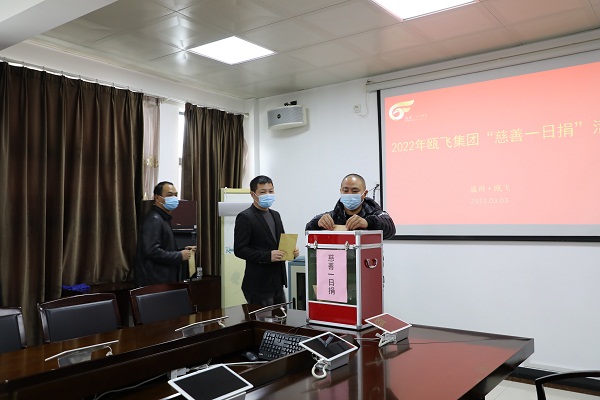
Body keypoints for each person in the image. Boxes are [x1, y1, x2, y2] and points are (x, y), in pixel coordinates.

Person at [234, 175, 299, 306]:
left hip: (278, 282)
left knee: (282, 317)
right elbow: (240, 250)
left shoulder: (275, 215)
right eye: (263, 192)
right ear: (253, 194)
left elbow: (280, 242)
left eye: (271, 191)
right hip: (258, 284)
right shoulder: (245, 217)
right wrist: (267, 256)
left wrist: (291, 252)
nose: (268, 195)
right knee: (264, 319)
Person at [134, 181, 196, 287]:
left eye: (176, 195)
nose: (174, 198)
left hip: (163, 281)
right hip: (155, 282)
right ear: (157, 198)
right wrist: (179, 256)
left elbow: (164, 247)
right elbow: (152, 251)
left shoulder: (163, 218)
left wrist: (182, 250)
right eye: (169, 195)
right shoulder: (154, 219)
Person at [305, 174, 396, 239]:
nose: (349, 194)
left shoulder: (374, 213)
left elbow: (390, 228)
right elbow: (308, 229)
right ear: (341, 191)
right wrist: (318, 223)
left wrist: (367, 223)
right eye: (345, 190)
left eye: (355, 191)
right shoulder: (333, 215)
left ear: (364, 194)